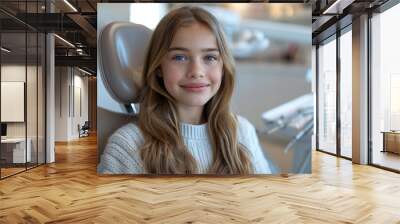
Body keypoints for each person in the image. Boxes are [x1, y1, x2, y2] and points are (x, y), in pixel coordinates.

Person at [98, 6, 274, 175]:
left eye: (210, 57)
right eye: (179, 57)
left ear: (223, 66)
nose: (196, 71)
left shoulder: (242, 131)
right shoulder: (128, 146)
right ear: (159, 67)